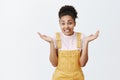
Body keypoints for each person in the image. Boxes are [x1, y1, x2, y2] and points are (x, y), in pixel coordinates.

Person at [37, 5, 99, 80]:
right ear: (59, 23)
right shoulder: (56, 37)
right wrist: (51, 43)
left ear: (74, 23)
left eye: (69, 23)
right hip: (59, 77)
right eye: (63, 23)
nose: (66, 26)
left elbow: (82, 64)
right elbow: (54, 64)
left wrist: (86, 42)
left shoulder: (81, 37)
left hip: (77, 77)